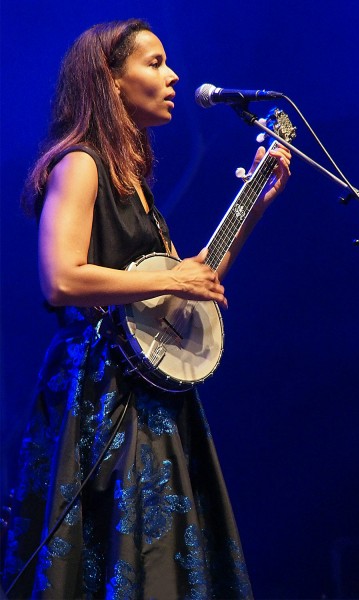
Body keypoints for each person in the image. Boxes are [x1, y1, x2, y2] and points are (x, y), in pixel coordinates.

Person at [1, 18, 291, 599]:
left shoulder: (135, 184)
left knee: (161, 563)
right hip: (99, 391)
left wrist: (254, 205)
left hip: (151, 392)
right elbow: (59, 279)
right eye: (154, 63)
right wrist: (176, 281)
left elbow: (188, 285)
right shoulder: (80, 163)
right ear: (110, 81)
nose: (173, 75)